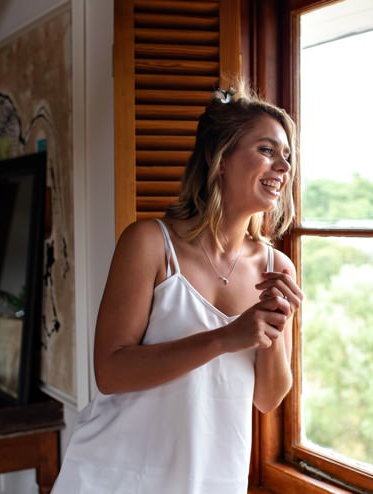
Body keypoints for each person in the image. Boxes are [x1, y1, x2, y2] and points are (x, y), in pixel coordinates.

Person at [54, 83, 303, 493]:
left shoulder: (279, 268)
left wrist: (275, 326)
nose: (283, 167)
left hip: (210, 481)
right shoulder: (150, 243)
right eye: (267, 150)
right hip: (114, 478)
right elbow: (110, 372)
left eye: (287, 156)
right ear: (218, 158)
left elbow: (267, 398)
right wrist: (225, 337)